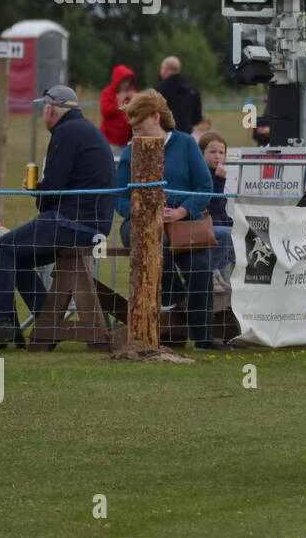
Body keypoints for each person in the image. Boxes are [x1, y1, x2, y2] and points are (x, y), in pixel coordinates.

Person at [0, 86, 116, 350]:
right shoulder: (85, 130)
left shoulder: (65, 132)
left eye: (43, 109)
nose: (43, 114)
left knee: (3, 249)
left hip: (72, 221)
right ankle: (47, 323)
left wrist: (38, 194)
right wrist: (45, 192)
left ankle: (2, 326)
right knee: (18, 259)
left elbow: (54, 187)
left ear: (51, 109)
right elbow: (66, 183)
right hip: (92, 224)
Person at [115, 90, 226, 350]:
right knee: (154, 240)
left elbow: (204, 186)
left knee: (200, 267)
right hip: (140, 225)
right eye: (133, 129)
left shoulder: (186, 144)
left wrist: (181, 211)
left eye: (139, 127)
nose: (135, 134)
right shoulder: (129, 154)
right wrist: (142, 212)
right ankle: (176, 297)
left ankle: (203, 337)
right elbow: (118, 199)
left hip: (185, 224)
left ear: (156, 117)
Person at [199, 130, 235, 292]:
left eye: (221, 152)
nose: (217, 156)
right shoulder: (201, 174)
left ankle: (217, 269)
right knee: (226, 234)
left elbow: (221, 210)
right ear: (201, 153)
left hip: (217, 222)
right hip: (202, 224)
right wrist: (219, 182)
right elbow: (212, 207)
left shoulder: (218, 173)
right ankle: (210, 270)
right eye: (212, 152)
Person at [154, 56, 202, 135]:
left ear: (165, 69)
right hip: (186, 135)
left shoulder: (159, 90)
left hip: (165, 136)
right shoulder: (192, 90)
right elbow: (197, 118)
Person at [99, 64, 137, 154]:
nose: (127, 84)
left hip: (127, 141)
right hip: (110, 142)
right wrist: (118, 100)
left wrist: (137, 99)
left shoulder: (132, 94)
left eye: (129, 82)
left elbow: (139, 114)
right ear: (117, 80)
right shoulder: (107, 92)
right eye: (124, 81)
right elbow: (105, 112)